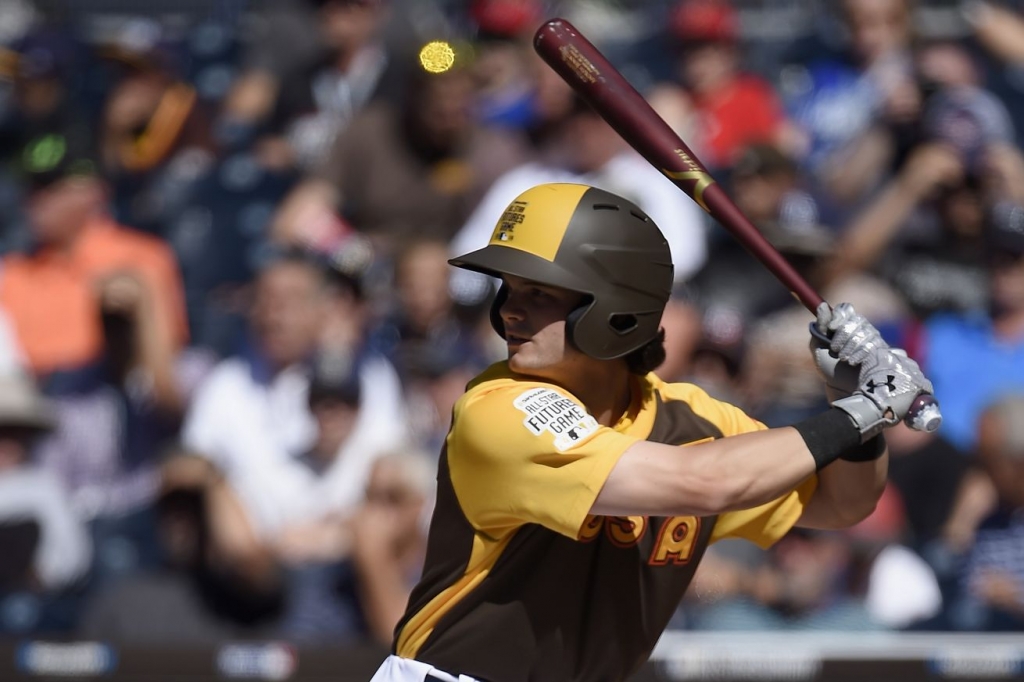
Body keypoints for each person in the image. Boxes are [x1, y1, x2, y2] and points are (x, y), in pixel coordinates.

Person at [369, 182, 936, 682]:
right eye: (509, 290)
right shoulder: (497, 409)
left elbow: (843, 505)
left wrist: (851, 406)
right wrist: (867, 409)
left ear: (615, 309)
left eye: (539, 293)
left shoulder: (697, 419)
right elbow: (700, 482)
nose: (511, 312)